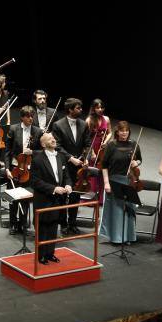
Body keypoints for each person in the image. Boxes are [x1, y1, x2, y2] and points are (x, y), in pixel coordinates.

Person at [31, 133, 73, 264]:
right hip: (44, 199)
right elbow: (35, 181)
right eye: (50, 139)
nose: (53, 139)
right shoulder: (37, 159)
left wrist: (68, 184)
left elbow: (66, 175)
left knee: (54, 227)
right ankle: (41, 255)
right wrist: (53, 189)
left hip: (57, 200)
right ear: (43, 144)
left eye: (54, 138)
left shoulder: (60, 157)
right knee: (43, 228)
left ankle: (50, 253)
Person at [51, 98, 91, 234]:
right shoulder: (58, 125)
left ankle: (73, 223)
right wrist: (70, 158)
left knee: (75, 195)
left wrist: (86, 158)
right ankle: (63, 223)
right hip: (64, 164)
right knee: (62, 195)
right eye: (78, 108)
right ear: (70, 110)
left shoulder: (84, 124)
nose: (81, 110)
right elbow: (57, 146)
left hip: (79, 166)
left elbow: (87, 144)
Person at [99, 121, 142, 245]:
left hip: (129, 181)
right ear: (117, 132)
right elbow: (104, 165)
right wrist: (106, 183)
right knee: (117, 211)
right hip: (114, 181)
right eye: (122, 131)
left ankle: (128, 237)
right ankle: (117, 238)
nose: (124, 133)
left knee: (128, 209)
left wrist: (136, 163)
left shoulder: (134, 144)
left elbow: (139, 159)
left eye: (126, 131)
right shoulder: (111, 145)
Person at [4, 106, 43, 234]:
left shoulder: (37, 131)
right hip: (15, 168)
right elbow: (7, 151)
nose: (30, 118)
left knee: (25, 198)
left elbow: (42, 152)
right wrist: (7, 168)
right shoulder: (14, 129)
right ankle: (13, 224)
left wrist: (32, 152)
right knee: (14, 197)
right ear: (22, 117)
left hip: (29, 170)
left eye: (32, 116)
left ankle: (23, 224)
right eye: (28, 116)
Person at [86, 99, 112, 205]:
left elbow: (109, 133)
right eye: (98, 107)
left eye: (102, 107)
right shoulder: (89, 120)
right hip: (93, 146)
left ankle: (101, 199)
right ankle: (90, 199)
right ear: (93, 108)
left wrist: (106, 141)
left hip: (103, 148)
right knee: (93, 171)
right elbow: (87, 138)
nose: (100, 110)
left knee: (103, 170)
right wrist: (91, 152)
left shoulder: (106, 118)